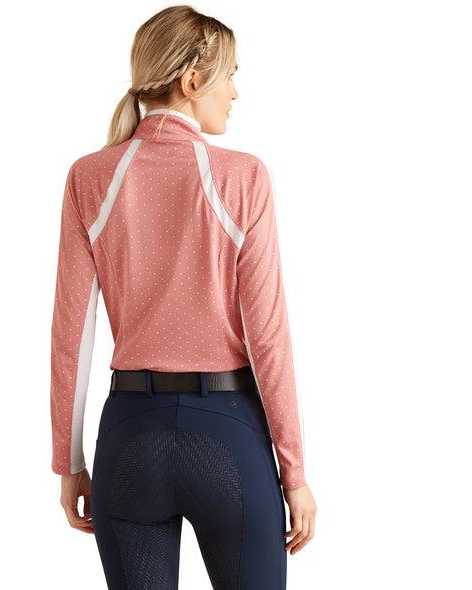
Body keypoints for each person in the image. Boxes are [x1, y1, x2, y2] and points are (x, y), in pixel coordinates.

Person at [50, 5, 317, 588]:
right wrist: (294, 473)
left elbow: (71, 336)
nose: (235, 93)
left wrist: (68, 463)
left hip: (129, 440)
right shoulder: (243, 176)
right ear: (191, 81)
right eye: (230, 76)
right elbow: (268, 336)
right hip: (228, 436)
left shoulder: (88, 177)